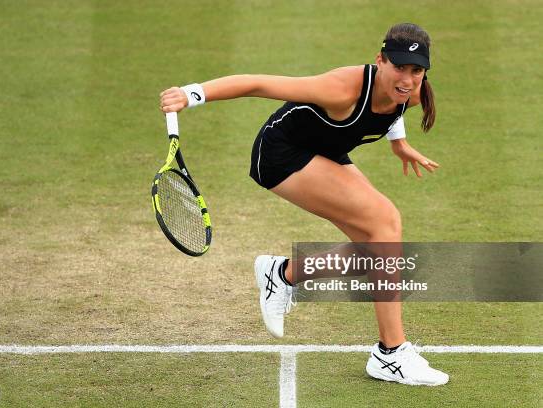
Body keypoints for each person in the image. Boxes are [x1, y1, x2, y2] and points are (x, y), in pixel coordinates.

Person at [160, 22, 449, 386]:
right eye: (398, 67)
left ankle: (282, 275)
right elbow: (258, 83)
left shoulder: (410, 92)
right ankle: (390, 354)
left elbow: (393, 111)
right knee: (386, 221)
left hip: (323, 153)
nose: (407, 79)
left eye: (416, 70)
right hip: (281, 155)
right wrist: (192, 93)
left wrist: (399, 143)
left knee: (376, 248)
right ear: (380, 60)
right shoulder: (340, 88)